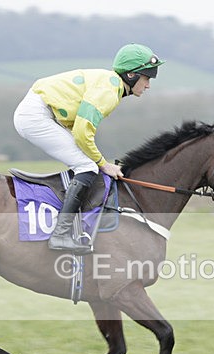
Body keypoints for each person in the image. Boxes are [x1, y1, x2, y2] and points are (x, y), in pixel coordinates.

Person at [13, 43, 164, 253]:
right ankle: (61, 235)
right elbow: (83, 132)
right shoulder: (110, 91)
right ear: (131, 75)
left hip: (41, 113)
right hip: (36, 116)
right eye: (147, 78)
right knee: (88, 167)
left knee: (85, 161)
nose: (148, 85)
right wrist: (103, 164)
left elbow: (80, 132)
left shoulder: (111, 84)